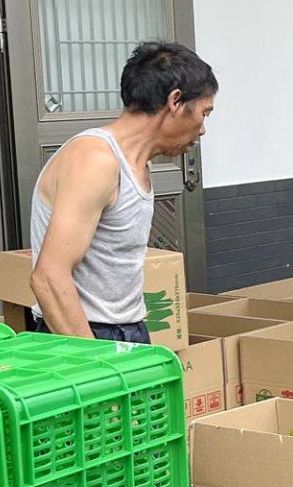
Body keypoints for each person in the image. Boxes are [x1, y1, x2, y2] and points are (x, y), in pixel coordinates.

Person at [29, 41, 217, 343]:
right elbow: (49, 277)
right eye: (204, 113)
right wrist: (95, 363)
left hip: (125, 329)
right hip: (84, 336)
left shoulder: (137, 164)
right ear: (176, 101)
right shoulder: (95, 160)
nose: (203, 129)